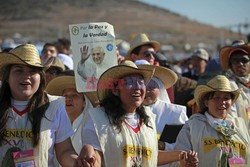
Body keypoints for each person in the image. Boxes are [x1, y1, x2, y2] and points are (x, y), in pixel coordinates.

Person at [81, 60, 198, 167]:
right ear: (115, 90)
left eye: (141, 82)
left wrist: (181, 155)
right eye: (129, 82)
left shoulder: (148, 118)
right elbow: (96, 158)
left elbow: (149, 156)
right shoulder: (98, 119)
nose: (137, 87)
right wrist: (90, 156)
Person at [0, 44, 93, 166]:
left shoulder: (55, 106)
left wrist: (78, 162)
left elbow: (64, 150)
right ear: (7, 77)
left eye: (33, 71)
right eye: (19, 70)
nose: (26, 76)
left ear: (40, 77)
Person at [173, 75, 250, 166]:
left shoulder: (239, 125)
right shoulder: (193, 125)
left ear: (231, 102)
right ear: (206, 102)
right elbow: (178, 159)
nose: (222, 102)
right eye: (217, 97)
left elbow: (245, 158)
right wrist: (186, 162)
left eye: (226, 98)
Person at [135, 60, 188, 151]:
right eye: (142, 87)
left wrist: (164, 146)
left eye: (151, 87)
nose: (146, 91)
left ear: (160, 89)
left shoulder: (176, 113)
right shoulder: (127, 111)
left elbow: (186, 144)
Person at [46, 75, 93, 154]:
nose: (68, 99)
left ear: (84, 102)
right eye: (65, 96)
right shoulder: (54, 124)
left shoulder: (90, 125)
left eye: (74, 95)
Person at [219, 41, 250, 132]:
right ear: (230, 65)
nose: (240, 64)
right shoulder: (227, 86)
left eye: (244, 60)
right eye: (235, 61)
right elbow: (229, 118)